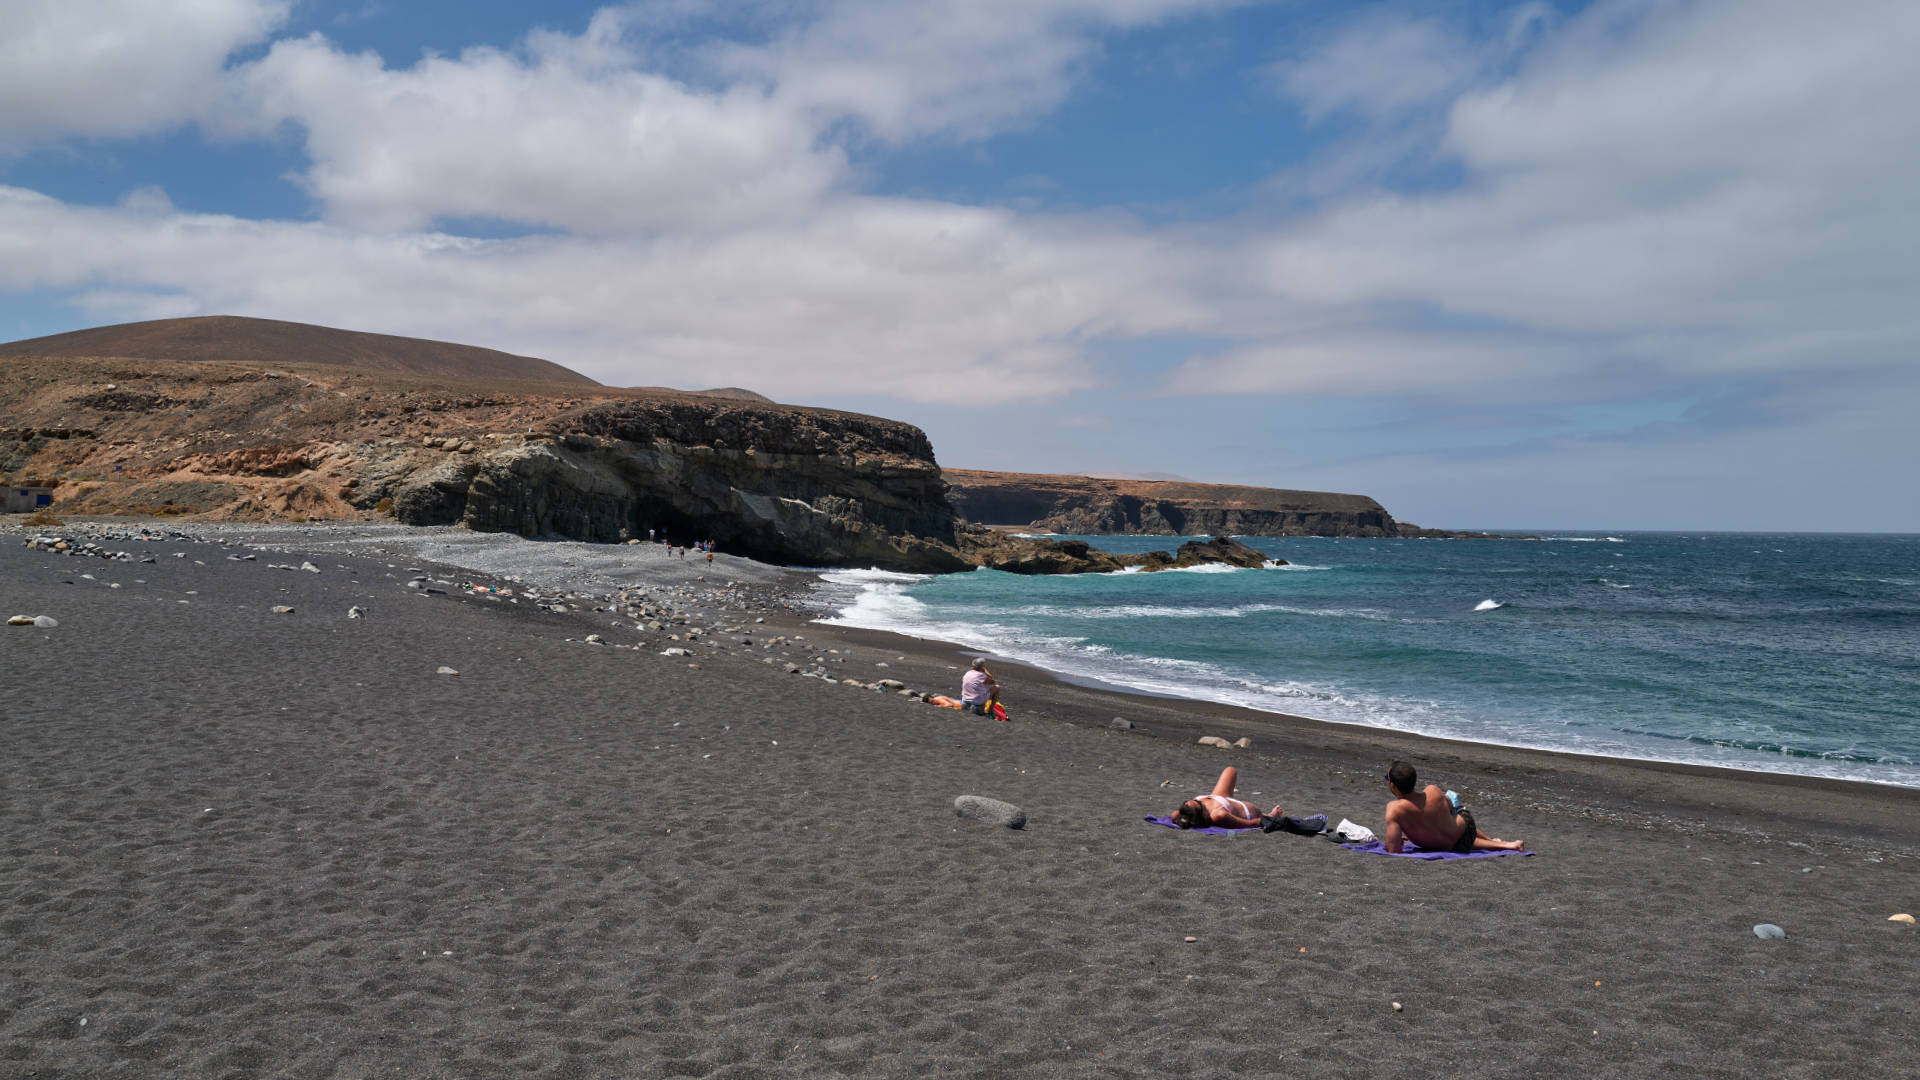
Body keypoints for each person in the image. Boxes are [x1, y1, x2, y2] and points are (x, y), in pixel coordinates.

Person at [1381, 761, 1523, 853]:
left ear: (1393, 785)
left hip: (1454, 845)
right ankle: (1503, 843)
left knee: (1446, 829)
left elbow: (1393, 850)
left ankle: (1504, 844)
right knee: (1450, 816)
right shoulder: (1433, 790)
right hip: (1465, 829)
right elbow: (1449, 810)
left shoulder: (1394, 809)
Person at [1170, 766, 1300, 831]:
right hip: (1249, 812)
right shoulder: (1218, 815)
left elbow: (1175, 815)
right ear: (1201, 812)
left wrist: (1181, 814)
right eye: (1195, 804)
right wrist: (1269, 818)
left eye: (1188, 803)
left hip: (1219, 799)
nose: (1190, 802)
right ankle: (1269, 814)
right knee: (1262, 817)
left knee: (1230, 770)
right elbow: (1251, 824)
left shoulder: (1186, 811)